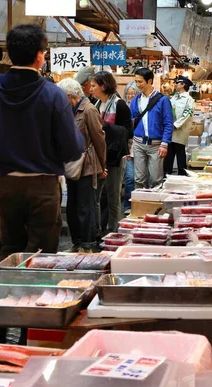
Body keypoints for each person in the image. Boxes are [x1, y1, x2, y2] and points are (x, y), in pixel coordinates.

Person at [0, 24, 84, 258]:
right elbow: (73, 148)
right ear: (39, 56)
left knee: (11, 248)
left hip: (5, 184)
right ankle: (36, 295)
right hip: (43, 184)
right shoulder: (53, 94)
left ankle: (9, 293)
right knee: (41, 254)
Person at [57, 78, 106, 253]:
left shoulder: (89, 110)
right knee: (72, 206)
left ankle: (87, 244)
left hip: (88, 165)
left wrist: (102, 165)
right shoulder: (68, 110)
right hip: (72, 164)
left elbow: (99, 140)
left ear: (70, 95)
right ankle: (76, 242)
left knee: (85, 207)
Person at [90, 71, 131, 233]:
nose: (91, 89)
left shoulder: (119, 105)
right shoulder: (97, 104)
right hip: (99, 156)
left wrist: (106, 129)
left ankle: (114, 231)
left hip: (114, 157)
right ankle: (99, 229)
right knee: (99, 196)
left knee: (113, 196)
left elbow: (129, 131)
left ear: (104, 86)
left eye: (94, 86)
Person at [130, 68, 173, 189]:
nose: (138, 85)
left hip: (156, 145)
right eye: (136, 82)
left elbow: (168, 123)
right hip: (138, 143)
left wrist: (164, 143)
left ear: (149, 81)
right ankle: (140, 206)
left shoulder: (163, 100)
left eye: (140, 82)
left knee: (156, 179)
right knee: (138, 179)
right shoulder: (135, 101)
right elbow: (132, 121)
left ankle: (155, 206)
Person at [165, 75, 194, 175]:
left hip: (180, 131)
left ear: (183, 85)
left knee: (180, 154)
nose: (176, 85)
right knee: (169, 154)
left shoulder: (188, 99)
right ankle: (167, 175)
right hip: (170, 130)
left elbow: (187, 114)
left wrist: (176, 125)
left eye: (178, 83)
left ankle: (182, 175)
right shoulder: (174, 97)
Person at [122, 81, 139, 212]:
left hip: (138, 145)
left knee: (140, 177)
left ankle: (138, 204)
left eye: (133, 93)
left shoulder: (140, 108)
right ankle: (127, 206)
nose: (130, 96)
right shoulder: (122, 108)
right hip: (127, 147)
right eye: (128, 93)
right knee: (129, 177)